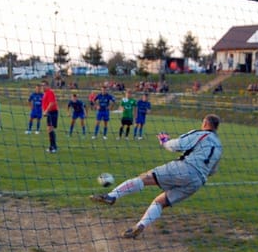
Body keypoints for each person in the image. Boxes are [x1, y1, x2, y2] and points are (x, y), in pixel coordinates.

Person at [91, 114, 223, 239]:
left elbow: (179, 145)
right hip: (198, 181)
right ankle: (139, 226)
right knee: (160, 202)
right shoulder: (219, 146)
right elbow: (213, 171)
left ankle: (112, 196)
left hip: (184, 168)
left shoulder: (201, 134)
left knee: (144, 178)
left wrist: (165, 141)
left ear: (205, 123)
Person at [41, 80, 59, 153]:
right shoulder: (45, 93)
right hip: (49, 113)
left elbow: (52, 103)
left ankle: (53, 147)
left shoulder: (50, 92)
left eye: (44, 85)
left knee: (50, 129)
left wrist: (46, 111)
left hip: (52, 112)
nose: (43, 87)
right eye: (42, 85)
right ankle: (53, 146)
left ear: (47, 86)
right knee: (49, 129)